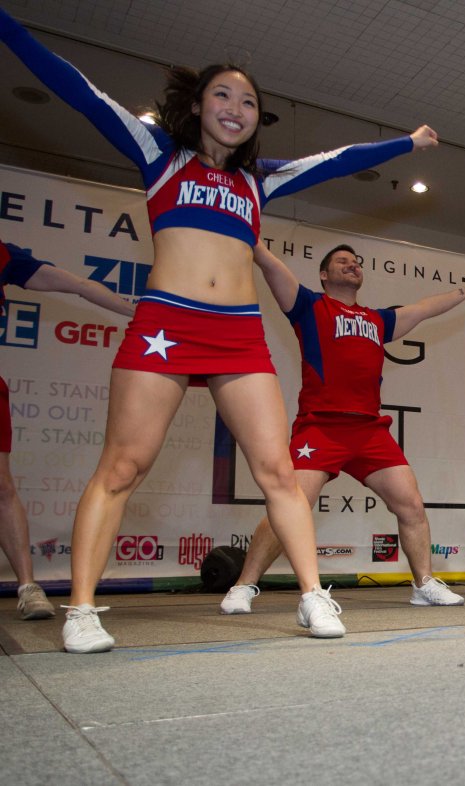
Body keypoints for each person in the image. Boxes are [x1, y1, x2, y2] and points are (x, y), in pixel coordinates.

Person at [1, 9, 439, 651]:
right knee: (122, 466)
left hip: (237, 332)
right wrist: (9, 28)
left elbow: (338, 159)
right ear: (198, 105)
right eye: (223, 95)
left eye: (249, 102)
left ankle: (313, 597)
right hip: (167, 321)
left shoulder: (259, 180)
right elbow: (77, 89)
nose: (236, 108)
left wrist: (407, 143)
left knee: (278, 472)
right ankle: (83, 610)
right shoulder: (159, 154)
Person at [220, 243, 465, 613]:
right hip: (321, 426)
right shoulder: (309, 306)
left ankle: (424, 584)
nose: (352, 265)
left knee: (411, 504)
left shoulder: (378, 320)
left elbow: (423, 309)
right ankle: (243, 586)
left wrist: (461, 293)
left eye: (356, 262)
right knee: (290, 503)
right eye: (342, 261)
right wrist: (255, 245)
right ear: (324, 274)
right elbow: (276, 272)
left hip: (370, 430)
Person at [1, 240, 133, 620]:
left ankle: (27, 586)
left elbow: (78, 285)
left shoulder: (4, 254)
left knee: (2, 487)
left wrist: (140, 313)